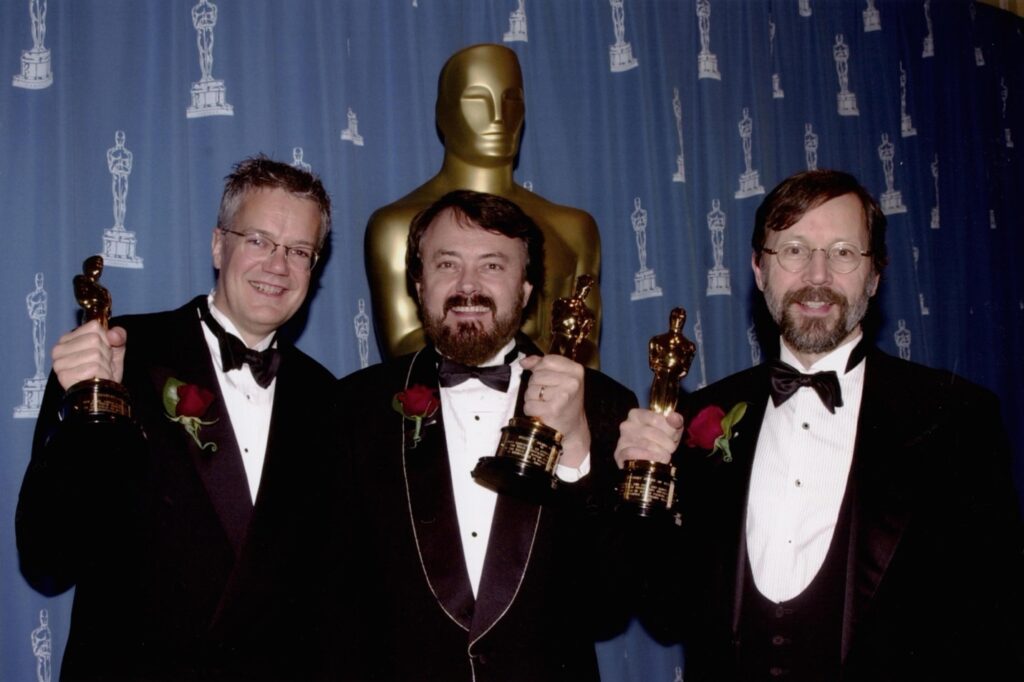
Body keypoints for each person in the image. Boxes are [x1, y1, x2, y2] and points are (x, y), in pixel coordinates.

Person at [615, 169, 1022, 681]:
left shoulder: (955, 417)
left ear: (875, 276)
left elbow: (994, 625)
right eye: (794, 250)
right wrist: (637, 493)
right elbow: (665, 610)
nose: (817, 275)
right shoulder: (702, 416)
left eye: (844, 252)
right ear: (759, 269)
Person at [17, 156, 340, 680]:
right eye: (258, 240)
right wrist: (84, 415)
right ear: (219, 245)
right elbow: (46, 555)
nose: (277, 265)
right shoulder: (115, 354)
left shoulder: (327, 397)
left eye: (298, 250)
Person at [336, 189, 636, 680]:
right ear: (418, 283)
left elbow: (610, 602)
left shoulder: (605, 405)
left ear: (525, 288)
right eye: (447, 264)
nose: (467, 286)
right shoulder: (354, 409)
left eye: (493, 266)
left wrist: (577, 452)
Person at [365, 43, 602, 366]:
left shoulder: (574, 228)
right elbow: (403, 352)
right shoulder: (396, 225)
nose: (498, 117)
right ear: (443, 112)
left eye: (512, 100)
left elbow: (586, 359)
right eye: (477, 100)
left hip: (555, 410)